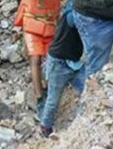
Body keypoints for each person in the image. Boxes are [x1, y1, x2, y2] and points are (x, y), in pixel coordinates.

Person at [14, 0, 69, 110]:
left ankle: (51, 86)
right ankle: (39, 96)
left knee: (52, 58)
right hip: (32, 23)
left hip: (50, 24)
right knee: (36, 59)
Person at [39, 8, 85, 138]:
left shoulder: (77, 14)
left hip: (75, 63)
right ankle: (45, 127)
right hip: (58, 63)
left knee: (88, 89)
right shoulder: (72, 16)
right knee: (53, 99)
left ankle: (82, 120)